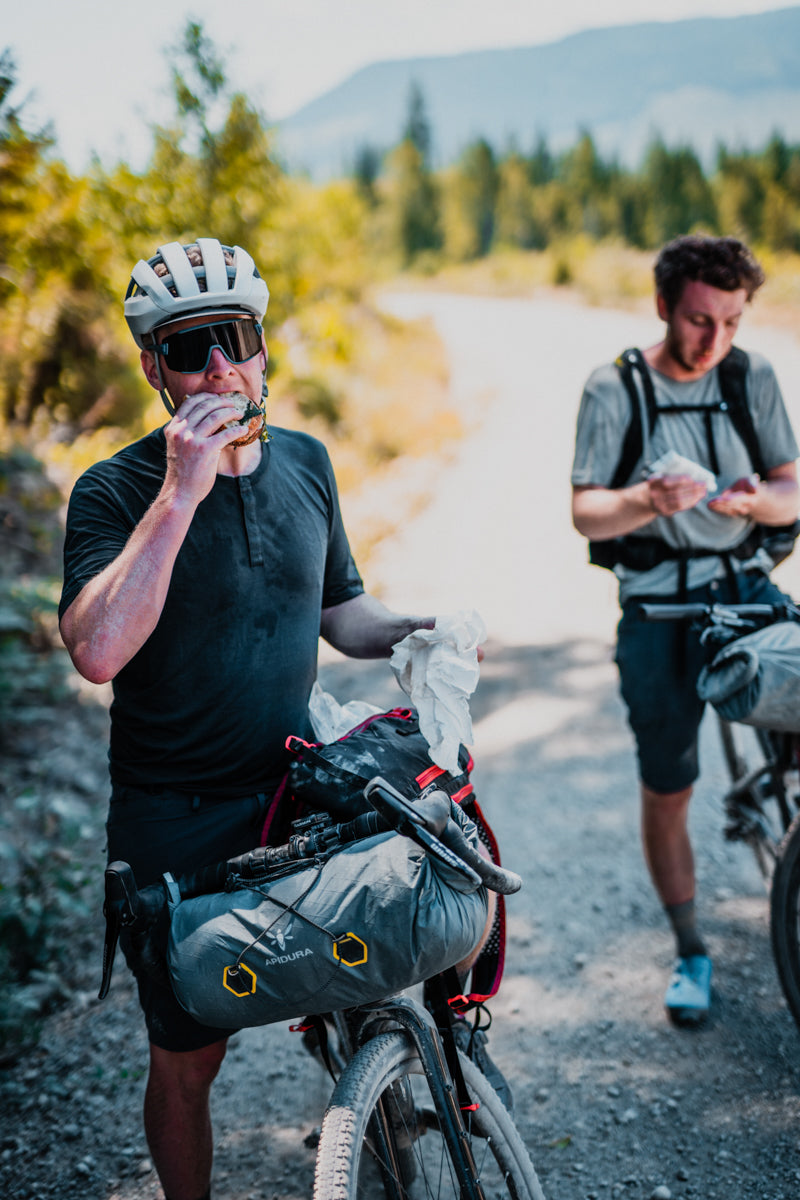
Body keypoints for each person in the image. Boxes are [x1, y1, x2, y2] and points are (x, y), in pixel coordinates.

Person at [58, 238, 488, 1200]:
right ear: (153, 369)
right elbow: (96, 651)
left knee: (394, 933)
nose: (218, 366)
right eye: (189, 346)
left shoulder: (307, 462)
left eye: (235, 339)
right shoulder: (117, 490)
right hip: (173, 816)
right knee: (188, 1060)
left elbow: (340, 612)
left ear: (263, 348)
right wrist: (180, 494)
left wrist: (424, 627)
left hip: (296, 783)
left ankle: (394, 1100)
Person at [571, 234, 800, 1028]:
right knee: (669, 788)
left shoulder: (750, 374)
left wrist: (753, 505)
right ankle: (692, 948)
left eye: (733, 322)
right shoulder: (613, 387)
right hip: (659, 606)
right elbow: (585, 509)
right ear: (665, 305)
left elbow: (790, 489)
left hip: (744, 588)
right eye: (702, 321)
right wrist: (647, 502)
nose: (717, 341)